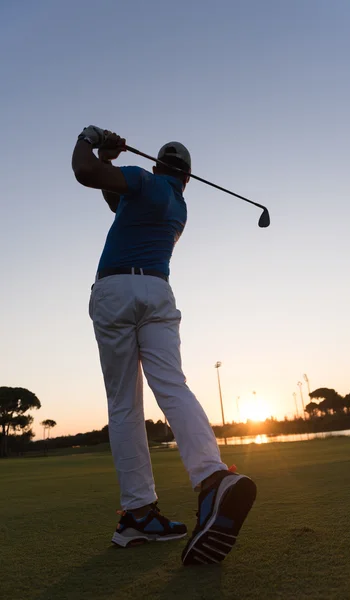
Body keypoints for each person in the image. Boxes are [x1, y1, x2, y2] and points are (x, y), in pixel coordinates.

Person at [71, 125, 257, 565]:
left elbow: (85, 172)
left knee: (124, 404)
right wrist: (112, 161)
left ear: (157, 165)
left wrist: (90, 138)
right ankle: (212, 478)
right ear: (187, 178)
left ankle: (137, 511)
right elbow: (114, 198)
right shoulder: (177, 204)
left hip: (116, 289)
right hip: (158, 293)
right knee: (173, 386)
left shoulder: (144, 179)